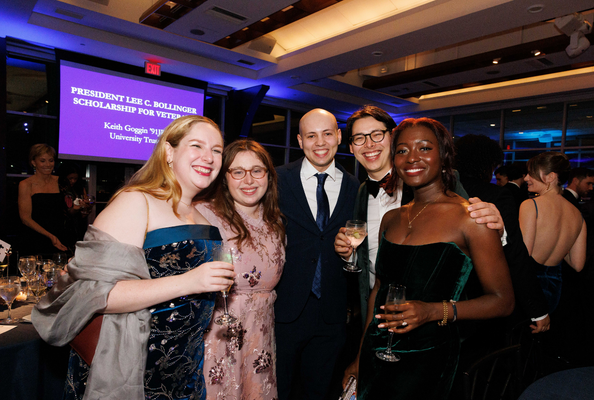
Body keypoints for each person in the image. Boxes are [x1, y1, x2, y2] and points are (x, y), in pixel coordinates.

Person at [32, 115, 235, 400]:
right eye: (197, 145)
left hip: (184, 369)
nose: (209, 157)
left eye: (216, 150)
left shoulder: (200, 214)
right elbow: (90, 295)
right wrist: (189, 282)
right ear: (168, 152)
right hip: (133, 368)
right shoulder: (136, 202)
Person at [348, 118, 515, 399]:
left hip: (428, 359)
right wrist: (358, 358)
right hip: (377, 351)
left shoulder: (471, 217)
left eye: (424, 148)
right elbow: (378, 290)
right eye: (402, 150)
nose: (412, 157)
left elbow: (503, 301)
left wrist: (433, 311)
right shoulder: (391, 218)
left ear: (445, 156)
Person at [335, 105, 504, 326]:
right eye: (359, 138)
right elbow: (375, 257)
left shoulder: (433, 178)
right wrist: (350, 254)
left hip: (435, 323)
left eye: (377, 134)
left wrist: (498, 228)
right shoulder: (360, 191)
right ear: (351, 147)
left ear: (392, 137)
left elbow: (470, 222)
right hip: (378, 312)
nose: (369, 144)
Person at [275, 108, 360, 400]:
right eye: (311, 135)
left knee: (319, 391)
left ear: (339, 137)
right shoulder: (276, 180)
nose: (319, 142)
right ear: (300, 141)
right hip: (283, 310)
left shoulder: (355, 188)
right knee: (278, 389)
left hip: (332, 314)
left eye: (327, 133)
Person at [196, 139, 286, 399]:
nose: (248, 180)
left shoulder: (275, 221)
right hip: (218, 337)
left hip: (261, 339)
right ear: (224, 178)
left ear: (268, 176)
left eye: (257, 170)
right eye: (238, 172)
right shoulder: (204, 215)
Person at [454, 135, 549, 333]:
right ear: (487, 165)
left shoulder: (438, 192)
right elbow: (515, 253)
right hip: (483, 299)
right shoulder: (496, 195)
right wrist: (537, 309)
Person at [519, 152, 587, 313]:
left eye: (532, 173)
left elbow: (523, 255)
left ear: (550, 177)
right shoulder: (578, 215)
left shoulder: (530, 205)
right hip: (554, 289)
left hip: (529, 288)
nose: (526, 178)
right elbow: (578, 265)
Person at [18, 144, 68, 254]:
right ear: (33, 162)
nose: (48, 164)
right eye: (43, 160)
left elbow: (67, 211)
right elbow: (25, 218)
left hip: (61, 238)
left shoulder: (61, 182)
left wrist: (82, 208)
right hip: (35, 239)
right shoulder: (26, 184)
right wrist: (51, 237)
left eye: (51, 160)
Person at [57, 161, 90, 250]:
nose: (73, 181)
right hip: (62, 227)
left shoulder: (80, 188)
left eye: (75, 178)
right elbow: (65, 212)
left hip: (78, 227)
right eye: (70, 178)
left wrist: (86, 207)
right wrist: (76, 209)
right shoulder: (58, 189)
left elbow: (83, 214)